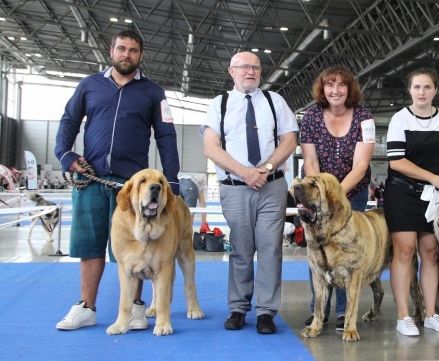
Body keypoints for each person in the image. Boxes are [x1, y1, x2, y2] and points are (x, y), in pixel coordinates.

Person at [54, 30, 180, 331]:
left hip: (133, 186)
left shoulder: (153, 92)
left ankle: (136, 309)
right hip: (92, 178)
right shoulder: (89, 85)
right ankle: (87, 307)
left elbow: (166, 136)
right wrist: (65, 155)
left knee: (139, 247)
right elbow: (69, 121)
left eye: (133, 50)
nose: (127, 54)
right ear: (112, 51)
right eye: (122, 49)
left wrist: (172, 183)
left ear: (140, 55)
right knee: (89, 243)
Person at [201, 51, 298, 334]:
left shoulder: (274, 101)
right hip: (235, 188)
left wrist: (265, 168)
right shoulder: (218, 105)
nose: (251, 72)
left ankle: (266, 312)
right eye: (244, 67)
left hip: (272, 186)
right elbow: (211, 148)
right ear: (231, 71)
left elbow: (290, 139)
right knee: (241, 250)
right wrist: (245, 172)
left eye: (255, 67)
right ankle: (238, 308)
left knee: (270, 249)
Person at [384, 67, 439, 336]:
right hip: (402, 193)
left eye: (427, 87)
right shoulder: (399, 119)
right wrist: (432, 177)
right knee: (404, 252)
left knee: (430, 254)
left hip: (433, 197)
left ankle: (430, 314)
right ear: (410, 90)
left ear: (435, 91)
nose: (422, 92)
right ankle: (403, 316)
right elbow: (397, 161)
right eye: (417, 87)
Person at [300, 64, 375, 331]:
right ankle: (318, 310)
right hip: (315, 196)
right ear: (322, 89)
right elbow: (310, 160)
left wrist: (336, 197)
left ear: (349, 89)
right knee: (318, 252)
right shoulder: (310, 117)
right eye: (329, 85)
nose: (335, 90)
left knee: (348, 254)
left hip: (351, 194)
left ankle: (345, 312)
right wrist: (320, 196)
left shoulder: (365, 117)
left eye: (341, 85)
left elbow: (361, 165)